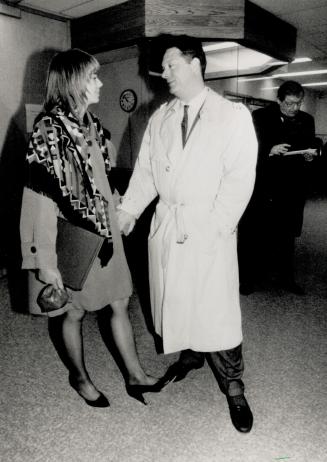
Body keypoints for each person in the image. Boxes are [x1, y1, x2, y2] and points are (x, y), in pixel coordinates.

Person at [117, 35, 258, 433]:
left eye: (170, 65)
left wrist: (216, 227)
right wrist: (128, 211)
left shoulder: (233, 116)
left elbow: (239, 180)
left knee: (217, 313)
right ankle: (192, 353)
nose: (164, 74)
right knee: (177, 299)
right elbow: (146, 171)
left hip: (208, 225)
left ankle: (233, 387)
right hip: (170, 223)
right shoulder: (161, 117)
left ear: (195, 64)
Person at [20, 48, 166, 408]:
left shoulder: (93, 125)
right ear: (74, 82)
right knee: (74, 311)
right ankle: (80, 377)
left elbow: (103, 179)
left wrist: (120, 208)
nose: (99, 82)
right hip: (71, 238)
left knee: (119, 300)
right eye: (93, 77)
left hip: (104, 235)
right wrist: (45, 260)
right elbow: (39, 197)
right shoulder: (48, 128)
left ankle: (134, 375)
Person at [238, 80, 316, 296]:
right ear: (278, 100)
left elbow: (310, 146)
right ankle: (247, 280)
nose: (294, 109)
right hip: (264, 187)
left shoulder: (307, 120)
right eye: (289, 104)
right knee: (254, 236)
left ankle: (286, 279)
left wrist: (310, 156)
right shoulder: (260, 117)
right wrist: (268, 151)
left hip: (291, 189)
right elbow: (246, 149)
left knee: (286, 237)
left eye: (298, 103)